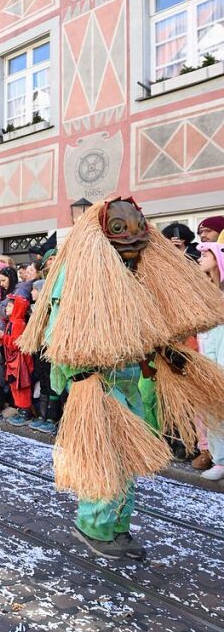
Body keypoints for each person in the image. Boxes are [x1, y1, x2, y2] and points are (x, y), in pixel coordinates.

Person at [20, 197, 224, 561]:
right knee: (105, 458)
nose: (131, 239)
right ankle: (94, 526)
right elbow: (59, 335)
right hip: (97, 383)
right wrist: (83, 377)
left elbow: (146, 325)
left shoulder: (134, 272)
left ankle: (117, 526)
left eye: (136, 229)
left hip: (129, 380)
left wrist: (164, 352)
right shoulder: (78, 275)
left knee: (127, 458)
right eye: (119, 230)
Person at [198, 244, 224, 481]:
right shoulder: (202, 293)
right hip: (208, 359)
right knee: (213, 413)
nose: (200, 258)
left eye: (205, 255)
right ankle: (220, 461)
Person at [3, 294, 34, 425]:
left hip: (19, 362)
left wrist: (2, 338)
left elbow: (15, 344)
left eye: (10, 306)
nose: (6, 308)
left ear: (17, 308)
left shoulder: (18, 323)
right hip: (13, 361)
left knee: (21, 386)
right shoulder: (12, 322)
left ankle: (25, 412)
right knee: (15, 386)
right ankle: (20, 409)